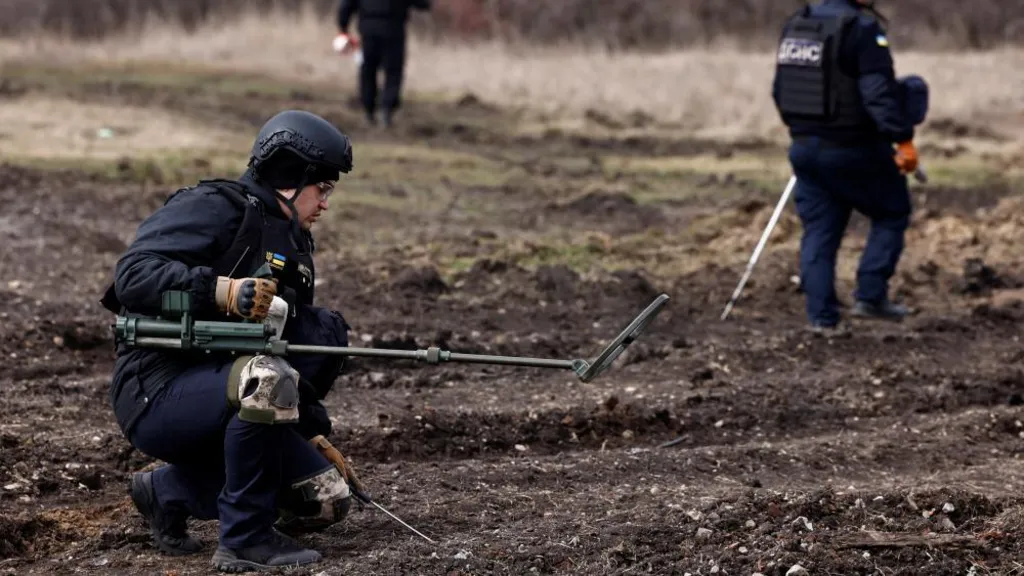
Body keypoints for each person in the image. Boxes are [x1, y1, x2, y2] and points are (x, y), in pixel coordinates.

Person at [100, 110, 357, 571]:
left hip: (229, 390)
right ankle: (244, 539)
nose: (325, 203)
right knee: (264, 379)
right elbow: (131, 277)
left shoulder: (293, 247)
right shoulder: (214, 206)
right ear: (290, 177)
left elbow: (287, 347)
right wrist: (224, 291)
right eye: (323, 188)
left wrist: (310, 431)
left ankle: (165, 491)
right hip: (155, 388)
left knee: (323, 497)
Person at [772, 0, 920, 330]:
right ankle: (870, 296)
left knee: (820, 232)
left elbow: (780, 90)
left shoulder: (798, 24)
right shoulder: (862, 29)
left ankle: (822, 319)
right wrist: (902, 137)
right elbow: (878, 95)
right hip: (854, 148)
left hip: (804, 148)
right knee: (892, 211)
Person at [336, 0, 431, 127]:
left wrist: (343, 26)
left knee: (368, 70)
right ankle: (387, 110)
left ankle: (368, 110)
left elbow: (347, 5)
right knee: (393, 71)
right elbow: (422, 4)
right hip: (394, 30)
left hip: (368, 31)